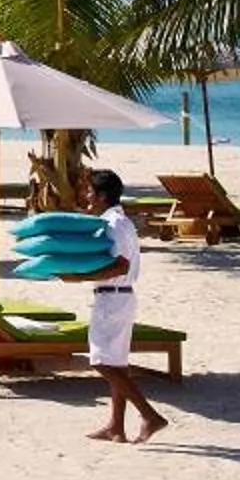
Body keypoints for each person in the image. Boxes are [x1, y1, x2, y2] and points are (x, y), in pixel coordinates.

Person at [63, 170, 166, 443]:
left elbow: (120, 265)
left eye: (90, 193)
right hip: (120, 296)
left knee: (100, 361)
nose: (87, 197)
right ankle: (116, 427)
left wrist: (78, 277)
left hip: (113, 297)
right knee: (117, 364)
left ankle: (149, 415)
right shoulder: (121, 221)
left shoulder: (114, 225)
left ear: (102, 196)